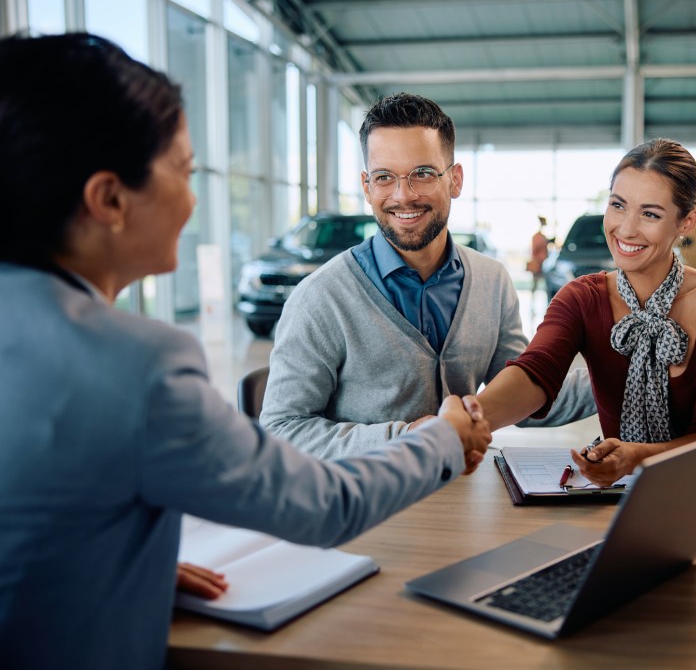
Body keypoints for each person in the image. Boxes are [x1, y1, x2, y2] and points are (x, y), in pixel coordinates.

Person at [0, 33, 490, 670]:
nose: (195, 199)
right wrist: (444, 439)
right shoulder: (138, 363)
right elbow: (321, 507)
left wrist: (103, 558)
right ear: (110, 200)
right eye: (184, 171)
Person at [261, 92, 594, 459]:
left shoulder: (491, 283)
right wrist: (407, 438)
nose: (404, 195)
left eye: (423, 173)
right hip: (367, 505)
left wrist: (631, 372)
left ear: (455, 180)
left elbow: (526, 393)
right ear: (367, 186)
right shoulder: (320, 298)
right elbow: (281, 430)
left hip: (460, 497)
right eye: (384, 177)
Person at [474, 138, 696, 486]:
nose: (625, 228)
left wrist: (637, 457)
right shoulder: (581, 297)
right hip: (617, 493)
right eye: (618, 205)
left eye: (650, 214)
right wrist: (469, 420)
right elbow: (535, 373)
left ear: (686, 222)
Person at [527, 215, 550, 297]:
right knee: (535, 283)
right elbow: (535, 250)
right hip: (538, 263)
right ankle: (532, 302)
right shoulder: (537, 237)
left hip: (544, 263)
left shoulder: (542, 236)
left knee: (546, 284)